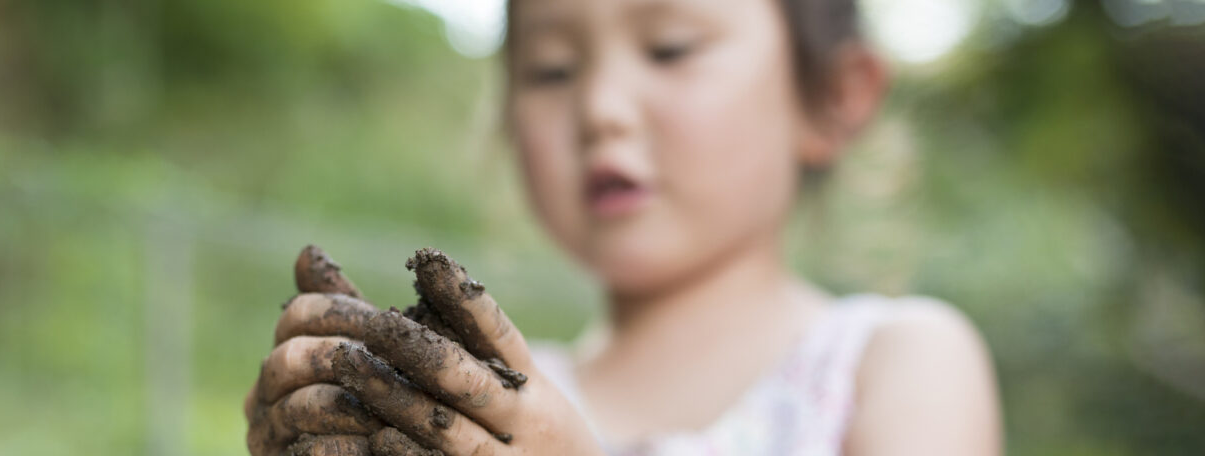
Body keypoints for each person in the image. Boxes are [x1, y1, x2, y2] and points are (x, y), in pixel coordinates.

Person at [246, 0, 1002, 454]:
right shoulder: (502, 397)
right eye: (550, 69)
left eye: (669, 47)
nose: (601, 106)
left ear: (834, 95)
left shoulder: (898, 363)